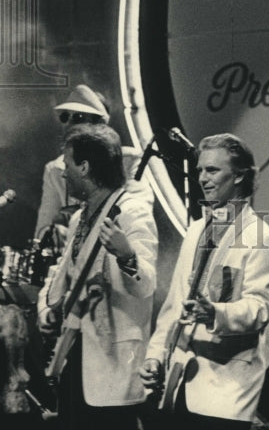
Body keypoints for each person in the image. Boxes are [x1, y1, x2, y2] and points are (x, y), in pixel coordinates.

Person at [141, 133, 269, 429]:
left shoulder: (260, 236)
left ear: (240, 175)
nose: (203, 178)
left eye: (213, 170)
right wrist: (155, 355)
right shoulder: (195, 230)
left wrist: (214, 313)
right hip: (179, 384)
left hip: (225, 393)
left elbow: (261, 307)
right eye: (200, 170)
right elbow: (173, 304)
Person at [37, 123, 158, 430]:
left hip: (113, 363)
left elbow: (146, 284)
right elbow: (62, 271)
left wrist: (126, 256)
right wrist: (46, 308)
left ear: (85, 167)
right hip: (77, 356)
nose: (63, 173)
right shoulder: (80, 216)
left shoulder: (132, 212)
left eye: (67, 165)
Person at [34, 84, 110, 240]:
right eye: (65, 117)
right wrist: (52, 233)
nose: (68, 124)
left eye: (78, 118)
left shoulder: (127, 163)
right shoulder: (54, 170)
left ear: (99, 125)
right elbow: (42, 230)